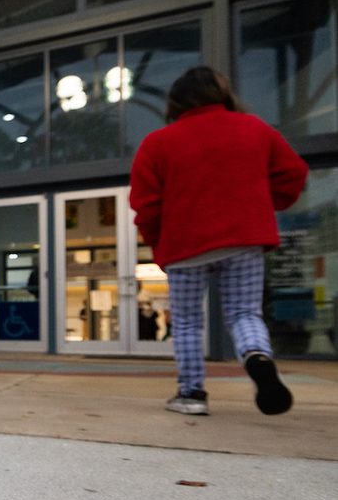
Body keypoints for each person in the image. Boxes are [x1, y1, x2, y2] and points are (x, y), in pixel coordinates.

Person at [129, 66, 308, 416]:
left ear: (175, 103)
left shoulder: (158, 143)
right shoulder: (255, 129)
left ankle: (192, 393)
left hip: (184, 246)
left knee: (186, 323)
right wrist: (261, 204)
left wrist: (157, 243)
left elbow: (146, 205)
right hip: (244, 238)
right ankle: (257, 357)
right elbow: (293, 173)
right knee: (244, 313)